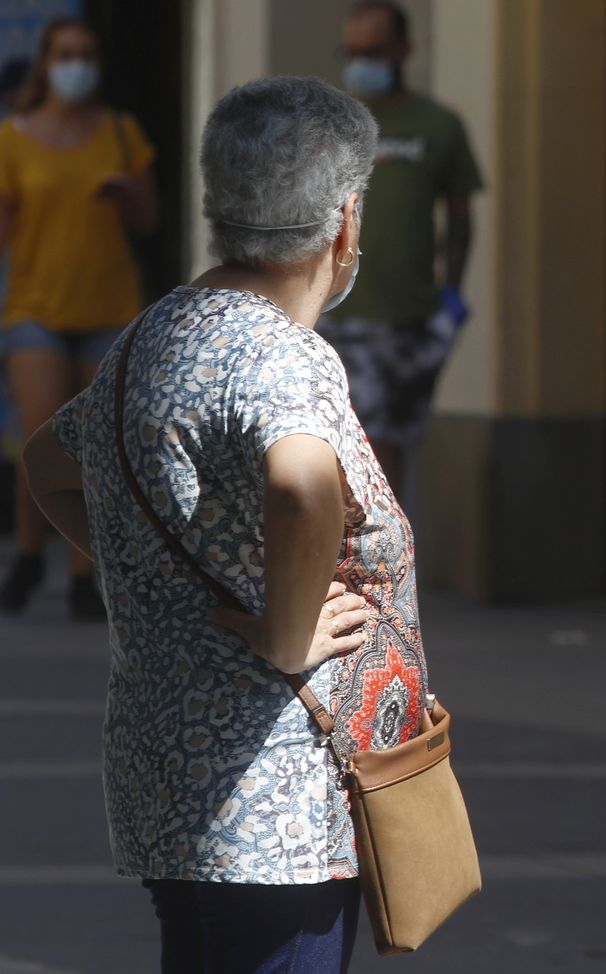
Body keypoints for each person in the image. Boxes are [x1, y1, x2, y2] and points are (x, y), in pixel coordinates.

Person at [22, 77, 430, 972]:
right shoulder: (282, 350)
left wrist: (142, 571)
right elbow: (301, 485)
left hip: (175, 781)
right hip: (275, 800)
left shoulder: (152, 334)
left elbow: (47, 466)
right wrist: (287, 638)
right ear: (345, 219)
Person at [0, 17, 157, 618]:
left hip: (108, 305)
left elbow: (150, 220)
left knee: (96, 446)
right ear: (45, 63)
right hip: (35, 304)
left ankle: (84, 574)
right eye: (66, 54)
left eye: (86, 54)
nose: (76, 64)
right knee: (41, 436)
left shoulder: (120, 132)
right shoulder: (13, 137)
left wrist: (127, 195)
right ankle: (28, 553)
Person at [323, 0, 483, 496]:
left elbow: (459, 214)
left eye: (373, 50)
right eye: (353, 51)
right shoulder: (331, 125)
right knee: (341, 443)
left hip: (407, 316)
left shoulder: (438, 125)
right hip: (337, 311)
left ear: (404, 50)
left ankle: (381, 559)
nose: (361, 62)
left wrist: (450, 294)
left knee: (388, 443)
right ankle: (354, 558)